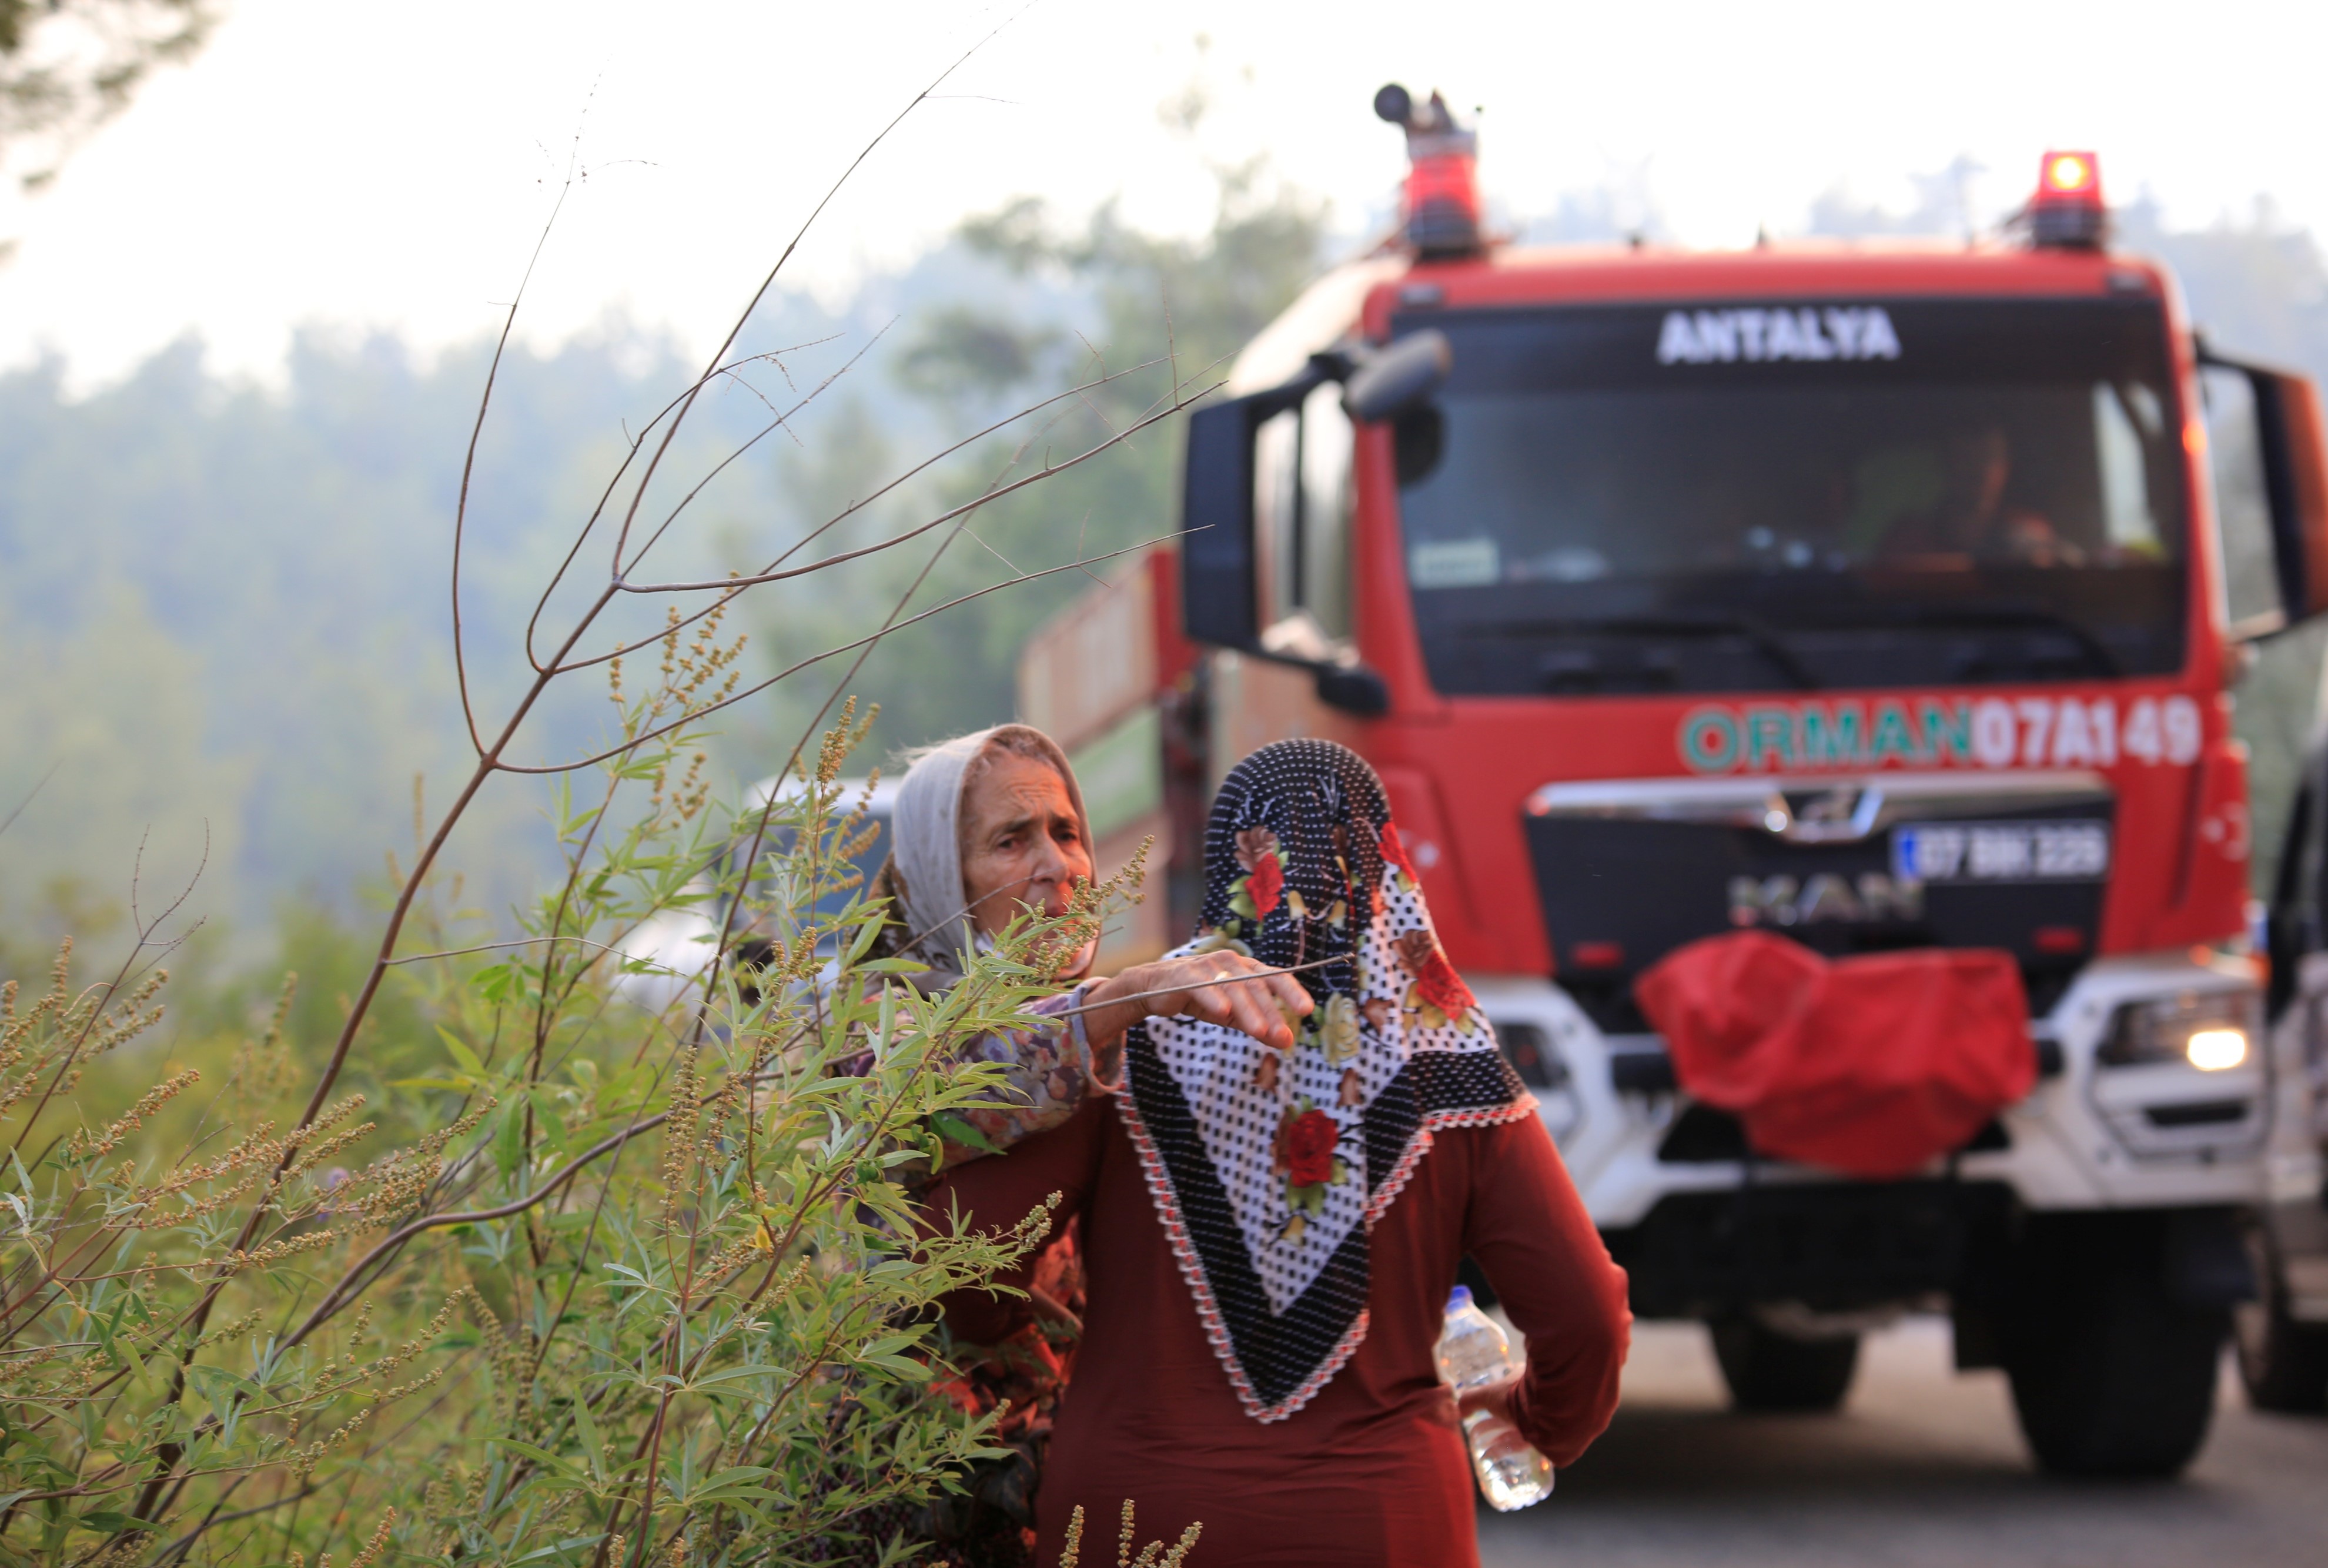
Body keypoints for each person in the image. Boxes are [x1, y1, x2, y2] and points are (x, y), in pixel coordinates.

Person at [919, 738, 1632, 1567]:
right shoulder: (1451, 1061)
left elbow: (964, 1264)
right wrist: (1532, 1422)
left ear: (1229, 864)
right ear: (1385, 862)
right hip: (1384, 1522)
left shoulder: (1131, 1034)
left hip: (1137, 1521)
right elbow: (1586, 1316)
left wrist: (1016, 1326)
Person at [842, 724, 1312, 1567]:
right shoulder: (867, 1020)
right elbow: (950, 1083)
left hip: (1069, 1495)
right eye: (1010, 841)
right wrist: (1123, 998)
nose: (1057, 866)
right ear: (936, 880)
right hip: (905, 1500)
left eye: (1066, 833)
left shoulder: (1110, 1030)